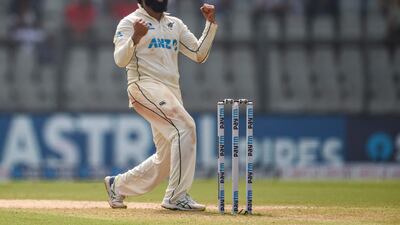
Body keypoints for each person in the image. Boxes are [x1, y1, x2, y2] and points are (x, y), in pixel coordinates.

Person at [104, 0, 218, 211]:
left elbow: (198, 54)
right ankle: (176, 196)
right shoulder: (129, 22)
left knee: (165, 158)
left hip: (171, 92)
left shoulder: (175, 24)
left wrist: (210, 25)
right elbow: (120, 60)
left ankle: (117, 185)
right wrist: (135, 37)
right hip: (144, 86)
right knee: (186, 128)